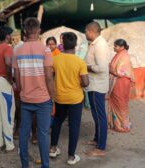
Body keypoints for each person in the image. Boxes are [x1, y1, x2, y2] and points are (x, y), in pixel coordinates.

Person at [13, 18, 55, 168]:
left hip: (25, 99)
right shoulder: (45, 50)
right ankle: (45, 165)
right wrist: (53, 98)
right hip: (43, 100)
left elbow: (16, 78)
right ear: (39, 31)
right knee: (43, 134)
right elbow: (49, 77)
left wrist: (22, 91)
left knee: (24, 134)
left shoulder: (17, 51)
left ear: (24, 31)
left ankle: (25, 165)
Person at [49, 32, 89, 165]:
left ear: (62, 44)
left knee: (57, 121)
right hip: (75, 99)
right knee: (74, 126)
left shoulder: (55, 59)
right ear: (76, 44)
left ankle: (53, 148)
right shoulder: (80, 62)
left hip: (59, 98)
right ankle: (71, 157)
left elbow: (50, 76)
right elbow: (85, 83)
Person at [84, 22, 110, 157]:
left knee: (100, 116)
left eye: (86, 31)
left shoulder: (99, 45)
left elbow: (102, 68)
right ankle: (97, 139)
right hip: (94, 84)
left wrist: (86, 67)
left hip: (97, 85)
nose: (85, 34)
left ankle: (101, 147)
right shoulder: (96, 43)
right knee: (96, 114)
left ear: (90, 31)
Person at [108, 39, 135, 133]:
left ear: (122, 47)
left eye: (115, 46)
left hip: (121, 83)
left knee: (120, 103)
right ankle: (118, 124)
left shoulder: (123, 56)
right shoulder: (121, 54)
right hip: (119, 82)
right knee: (118, 102)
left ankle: (123, 125)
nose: (114, 47)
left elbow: (120, 72)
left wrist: (109, 69)